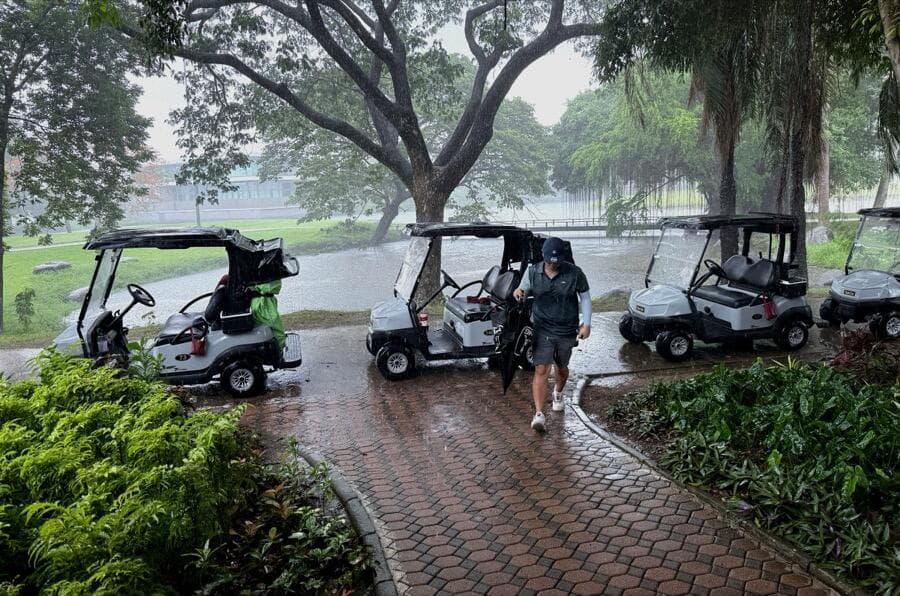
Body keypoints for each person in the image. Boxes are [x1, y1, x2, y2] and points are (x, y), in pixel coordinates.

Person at [513, 237, 591, 432]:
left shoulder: (575, 273)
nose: (553, 265)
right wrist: (519, 292)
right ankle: (539, 414)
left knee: (561, 368)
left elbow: (585, 297)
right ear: (543, 256)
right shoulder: (533, 272)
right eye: (549, 261)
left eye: (557, 262)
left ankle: (558, 392)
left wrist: (587, 324)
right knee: (541, 369)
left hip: (566, 328)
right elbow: (522, 288)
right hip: (542, 327)